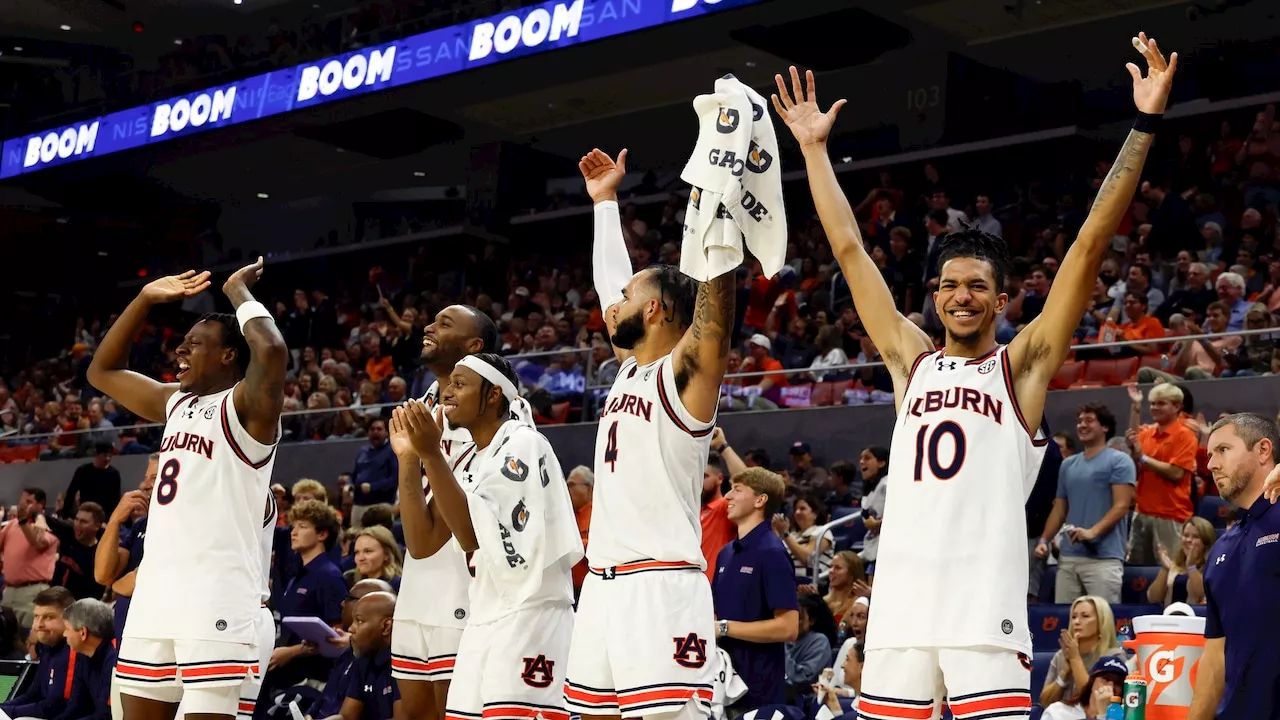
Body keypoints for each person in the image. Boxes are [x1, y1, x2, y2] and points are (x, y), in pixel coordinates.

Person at [773, 33, 1175, 709]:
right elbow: (847, 248)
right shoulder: (911, 359)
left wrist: (1143, 125)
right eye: (950, 284)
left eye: (977, 285)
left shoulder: (1018, 367)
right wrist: (814, 149)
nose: (962, 294)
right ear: (935, 296)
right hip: (900, 605)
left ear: (1000, 297)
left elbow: (1088, 245)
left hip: (981, 608)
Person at [565, 147, 738, 720]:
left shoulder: (685, 378)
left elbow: (716, 315)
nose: (612, 307)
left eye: (628, 302)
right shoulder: (629, 370)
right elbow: (610, 282)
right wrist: (604, 204)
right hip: (601, 587)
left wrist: (717, 201)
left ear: (659, 311)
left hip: (660, 587)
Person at [89, 259, 288, 720]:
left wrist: (237, 291)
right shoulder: (175, 402)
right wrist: (143, 300)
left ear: (228, 355)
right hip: (156, 593)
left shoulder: (248, 409)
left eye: (194, 344)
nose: (180, 350)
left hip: (216, 594)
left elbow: (273, 352)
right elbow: (102, 372)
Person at [390, 352, 581, 720]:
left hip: (531, 615)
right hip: (485, 614)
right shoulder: (479, 458)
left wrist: (430, 454)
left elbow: (467, 534)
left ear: (494, 395)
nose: (448, 393)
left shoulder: (523, 444)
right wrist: (410, 458)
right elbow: (425, 544)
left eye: (460, 385)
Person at [391, 302, 513, 720]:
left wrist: (418, 457)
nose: (428, 323)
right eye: (433, 317)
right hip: (417, 584)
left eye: (445, 323)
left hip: (466, 589)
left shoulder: (503, 414)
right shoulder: (423, 406)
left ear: (473, 345)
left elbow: (449, 530)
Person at [1188, 413, 1280, 720]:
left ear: (1264, 450)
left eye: (1223, 450)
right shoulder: (1221, 549)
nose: (1212, 464)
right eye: (1210, 454)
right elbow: (1214, 658)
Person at [713, 467, 799, 712]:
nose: (727, 496)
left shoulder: (772, 552)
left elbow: (788, 627)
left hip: (758, 688)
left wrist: (723, 628)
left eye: (737, 490)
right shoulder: (726, 553)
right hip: (722, 680)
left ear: (760, 500)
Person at [1035, 403, 1136, 604]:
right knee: (1065, 622)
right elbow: (1060, 509)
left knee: (1103, 624)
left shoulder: (1120, 461)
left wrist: (1092, 532)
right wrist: (1044, 540)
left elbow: (1122, 505)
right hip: (1069, 557)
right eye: (1080, 421)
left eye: (1089, 420)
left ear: (1105, 427)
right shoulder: (1068, 465)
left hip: (1105, 559)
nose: (1082, 425)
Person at [93, 456, 156, 639]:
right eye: (146, 477)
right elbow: (103, 574)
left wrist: (118, 584)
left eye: (154, 477)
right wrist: (115, 520)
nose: (144, 485)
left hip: (153, 634)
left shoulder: (184, 524)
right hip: (126, 634)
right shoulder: (140, 525)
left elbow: (142, 580)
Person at [0, 586, 75, 720]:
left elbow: (55, 706)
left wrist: (8, 712)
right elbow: (33, 694)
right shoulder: (47, 648)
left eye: (48, 617)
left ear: (68, 621)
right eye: (36, 616)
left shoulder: (72, 652)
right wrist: (3, 709)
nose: (38, 625)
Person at [1036, 596, 1125, 707]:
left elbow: (1092, 700)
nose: (1077, 622)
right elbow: (1045, 702)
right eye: (1074, 617)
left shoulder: (1114, 657)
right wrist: (1064, 674)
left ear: (1102, 621)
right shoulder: (1061, 655)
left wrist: (1075, 659)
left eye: (1085, 616)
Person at [332, 592, 400, 720]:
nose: (351, 629)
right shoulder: (362, 660)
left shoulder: (403, 663)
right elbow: (346, 717)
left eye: (359, 621)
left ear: (386, 626)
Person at [0, 488, 60, 628]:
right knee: (6, 640)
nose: (22, 504)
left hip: (32, 592)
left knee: (32, 639)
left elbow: (38, 543)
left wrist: (22, 522)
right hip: (9, 591)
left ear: (41, 505)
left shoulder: (47, 525)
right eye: (22, 500)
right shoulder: (11, 525)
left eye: (28, 501)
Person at [60, 599, 118, 720]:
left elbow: (106, 715)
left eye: (67, 629)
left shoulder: (114, 658)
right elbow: (76, 707)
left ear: (83, 632)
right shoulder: (84, 655)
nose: (64, 634)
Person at [1146, 517, 1215, 607]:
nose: (1188, 540)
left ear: (1206, 542)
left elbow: (1202, 595)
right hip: (1169, 617)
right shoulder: (1174, 565)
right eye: (1186, 535)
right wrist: (1165, 569)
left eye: (1195, 536)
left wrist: (1191, 566)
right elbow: (1153, 598)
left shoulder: (1213, 567)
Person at [1040, 656, 1130, 720]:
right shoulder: (1058, 712)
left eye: (1118, 683)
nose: (1110, 687)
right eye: (1106, 679)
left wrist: (1103, 714)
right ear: (1092, 682)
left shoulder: (1127, 716)